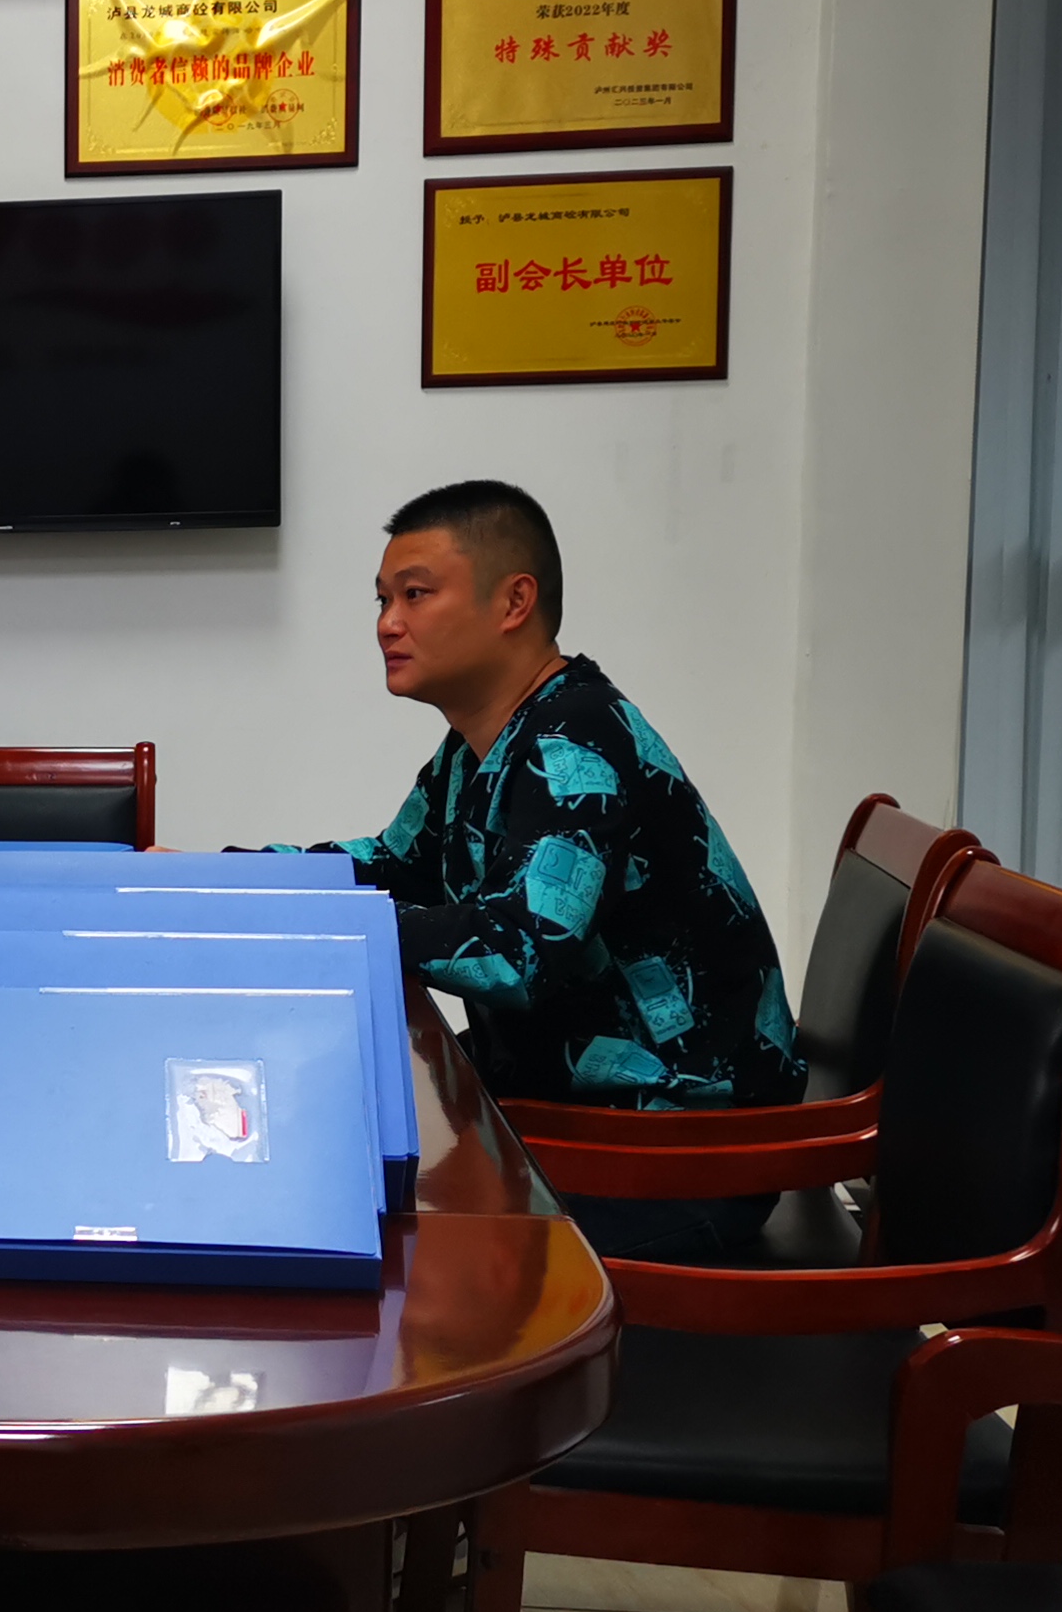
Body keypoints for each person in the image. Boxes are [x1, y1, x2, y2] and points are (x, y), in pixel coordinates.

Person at [320, 479, 799, 1262]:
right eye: (382, 600)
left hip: (672, 1154)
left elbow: (517, 952)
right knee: (343, 1158)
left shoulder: (576, 738)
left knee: (377, 1240)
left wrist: (326, 921)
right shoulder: (483, 746)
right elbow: (391, 865)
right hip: (576, 1124)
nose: (387, 624)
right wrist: (228, 881)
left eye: (415, 594)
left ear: (515, 602)